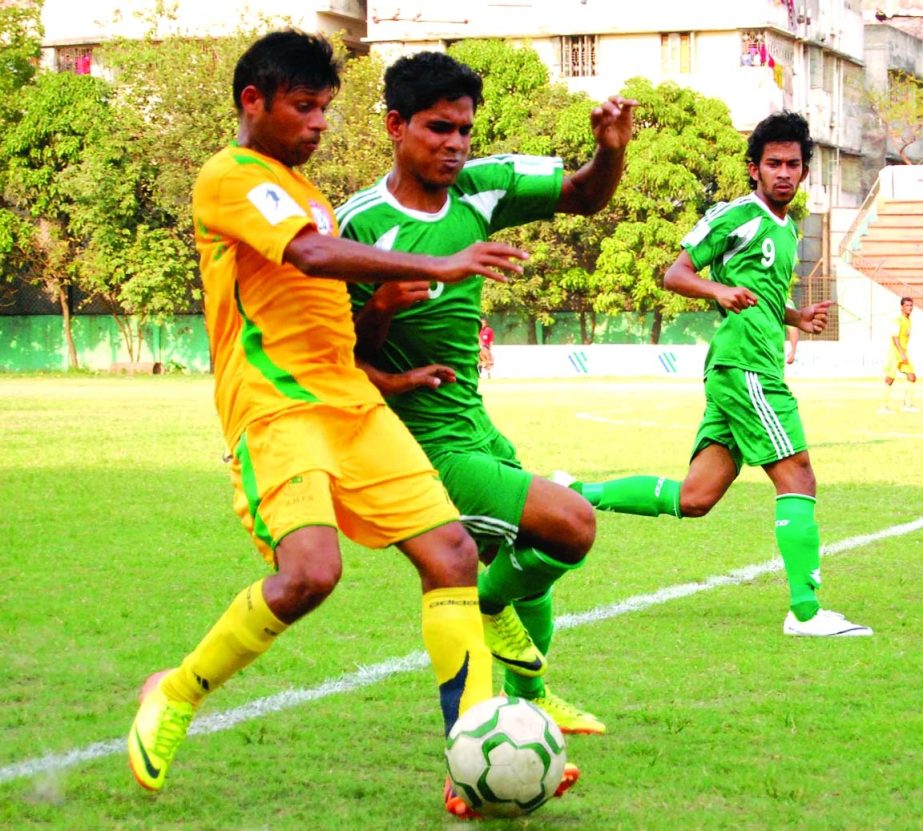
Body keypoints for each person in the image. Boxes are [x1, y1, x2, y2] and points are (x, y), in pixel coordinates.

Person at [127, 30, 534, 803]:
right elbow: (310, 258)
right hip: (279, 410)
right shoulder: (229, 176)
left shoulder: (303, 190)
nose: (319, 124)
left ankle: (473, 764)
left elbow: (324, 318)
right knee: (311, 574)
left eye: (326, 110)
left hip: (352, 401)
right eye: (305, 108)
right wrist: (439, 262)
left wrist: (389, 371)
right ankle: (174, 690)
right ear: (254, 102)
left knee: (452, 555)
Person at [338, 49, 637, 781]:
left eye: (465, 130)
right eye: (439, 129)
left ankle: (529, 701)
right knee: (569, 523)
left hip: (474, 423)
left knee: (535, 550)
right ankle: (491, 617)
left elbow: (584, 197)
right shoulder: (356, 227)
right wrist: (379, 314)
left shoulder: (484, 187)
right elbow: (336, 359)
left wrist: (608, 154)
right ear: (394, 126)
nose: (455, 145)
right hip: (417, 446)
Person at [553, 111, 872, 638]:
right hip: (745, 366)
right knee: (798, 475)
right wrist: (716, 291)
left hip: (747, 365)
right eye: (774, 164)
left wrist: (795, 317)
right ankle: (807, 613)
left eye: (794, 164)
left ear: (804, 171)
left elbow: (761, 294)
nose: (784, 173)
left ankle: (574, 492)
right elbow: (675, 273)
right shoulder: (735, 216)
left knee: (695, 498)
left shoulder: (786, 229)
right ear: (754, 169)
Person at [880, 296, 917, 413]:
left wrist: (904, 353)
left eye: (911, 305)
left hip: (903, 352)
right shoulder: (898, 320)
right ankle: (883, 406)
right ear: (902, 307)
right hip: (895, 353)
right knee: (890, 379)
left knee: (912, 377)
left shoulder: (908, 320)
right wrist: (901, 353)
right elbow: (894, 337)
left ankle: (907, 405)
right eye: (907, 305)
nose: (909, 308)